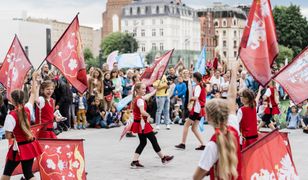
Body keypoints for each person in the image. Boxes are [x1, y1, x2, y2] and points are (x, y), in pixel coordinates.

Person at [193, 62, 241, 180]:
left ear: (208, 118)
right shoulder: (234, 127)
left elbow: (196, 177)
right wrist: (234, 74)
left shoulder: (212, 145)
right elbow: (231, 97)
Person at [2, 73, 43, 180]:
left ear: (12, 100)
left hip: (19, 148)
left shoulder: (11, 116)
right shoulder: (28, 108)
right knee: (28, 174)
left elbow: (7, 136)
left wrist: (15, 136)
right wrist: (34, 79)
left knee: (7, 173)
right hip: (30, 145)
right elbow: (33, 94)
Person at [130, 82, 174, 168]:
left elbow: (148, 96)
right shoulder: (140, 100)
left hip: (140, 123)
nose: (144, 90)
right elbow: (142, 111)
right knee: (153, 140)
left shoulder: (139, 98)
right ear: (138, 90)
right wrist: (149, 116)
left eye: (144, 88)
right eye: (142, 89)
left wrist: (156, 90)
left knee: (143, 142)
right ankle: (163, 158)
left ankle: (134, 161)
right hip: (142, 123)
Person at [175, 72, 206, 150]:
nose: (192, 78)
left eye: (193, 77)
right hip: (199, 109)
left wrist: (190, 102)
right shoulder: (201, 86)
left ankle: (183, 143)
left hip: (197, 109)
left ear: (195, 78)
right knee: (194, 128)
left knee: (186, 125)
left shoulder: (198, 86)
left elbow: (196, 97)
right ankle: (203, 144)